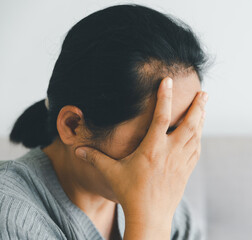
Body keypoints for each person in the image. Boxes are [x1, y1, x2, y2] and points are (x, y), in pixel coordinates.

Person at [0, 4, 209, 240]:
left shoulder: (171, 207)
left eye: (185, 131)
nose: (169, 158)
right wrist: (149, 223)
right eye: (154, 135)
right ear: (73, 126)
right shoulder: (11, 214)